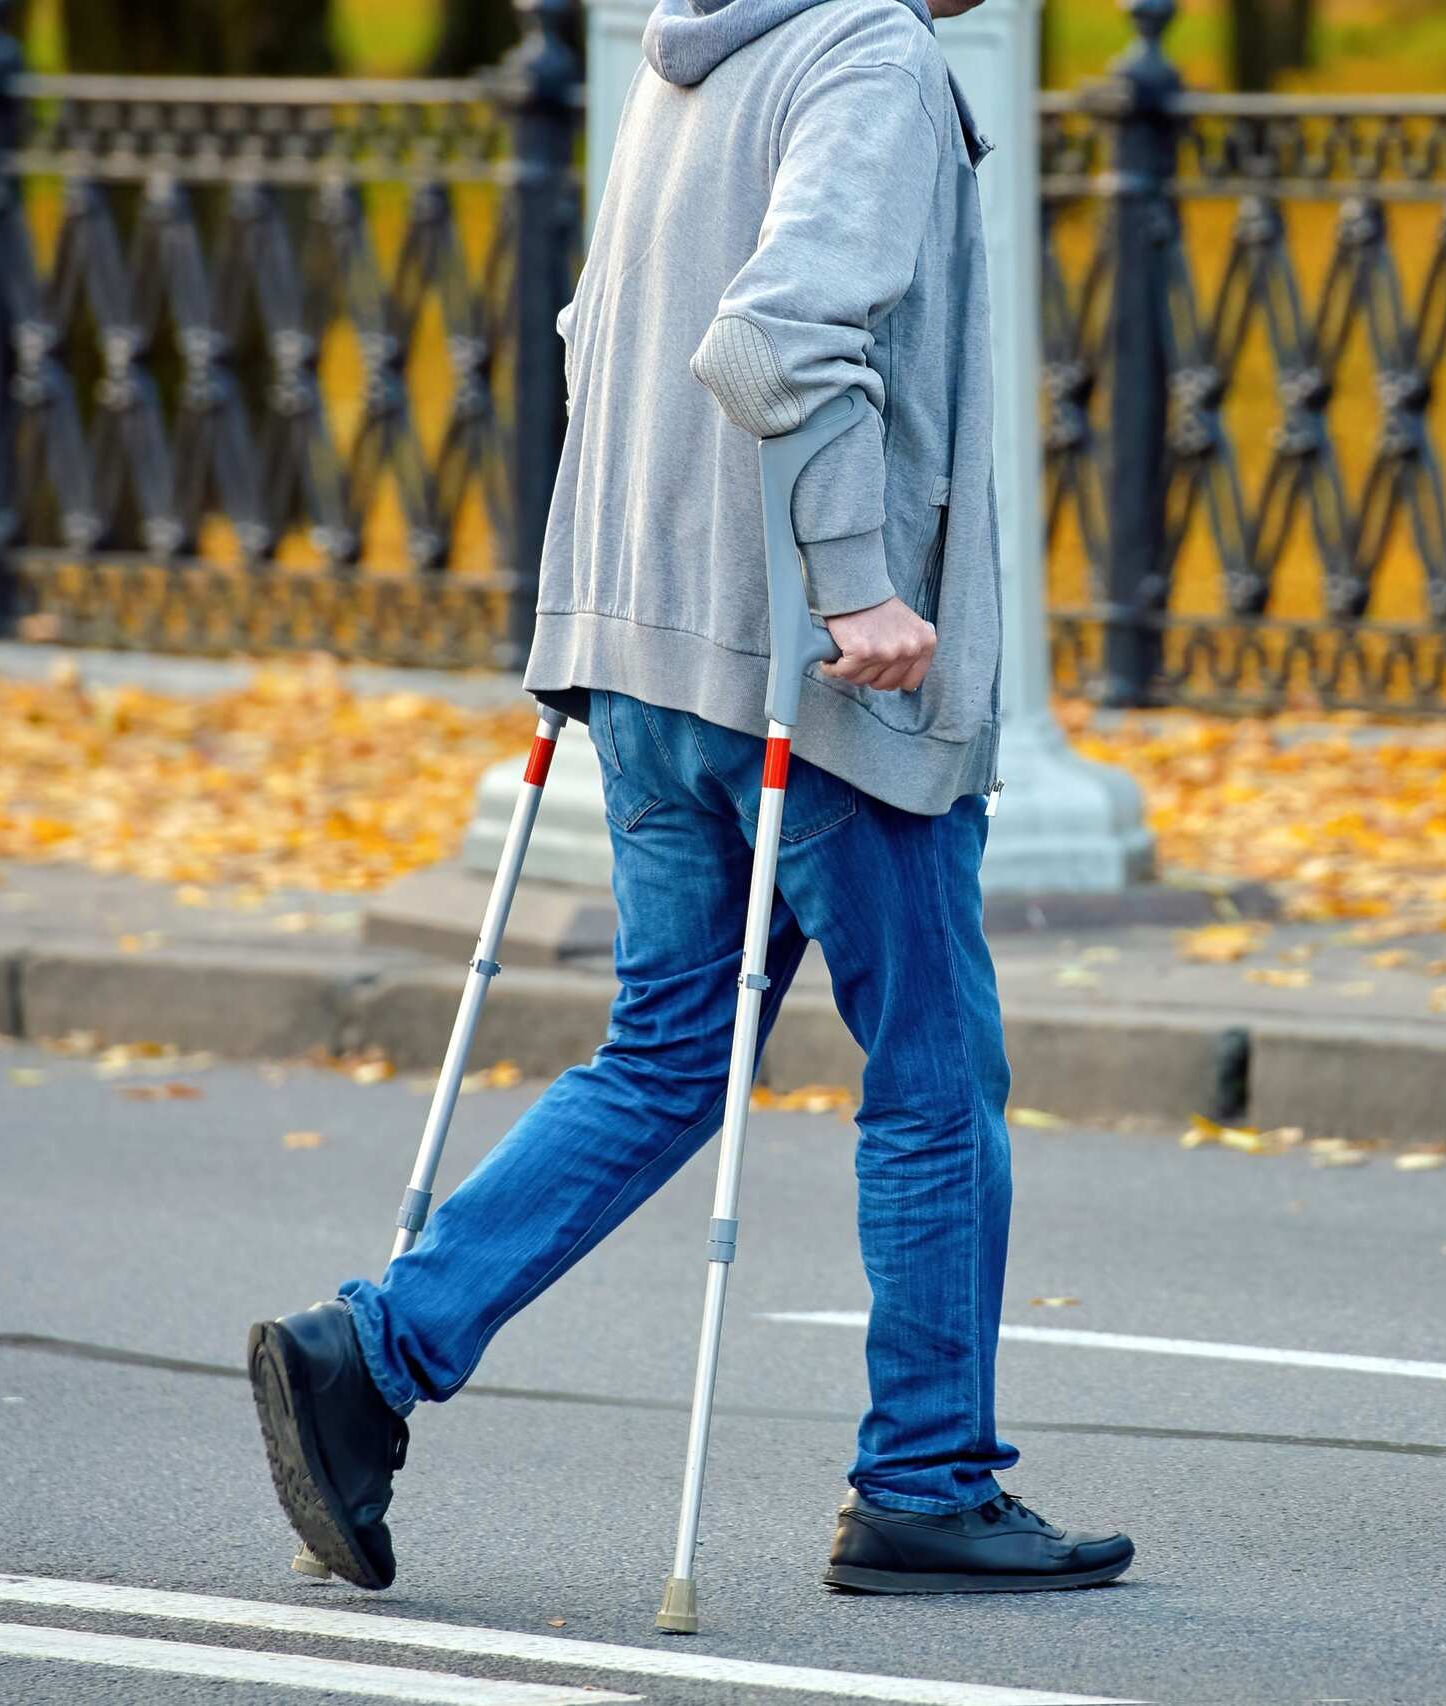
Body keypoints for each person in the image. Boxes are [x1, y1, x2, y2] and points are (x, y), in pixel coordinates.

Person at [246, 0, 1133, 1599]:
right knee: (935, 1070)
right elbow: (781, 333)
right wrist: (858, 583)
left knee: (663, 1053)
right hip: (809, 673)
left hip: (648, 654)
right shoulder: (870, 54)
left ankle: (368, 1355)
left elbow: (598, 332)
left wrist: (592, 612)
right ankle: (927, 1480)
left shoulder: (698, 50)